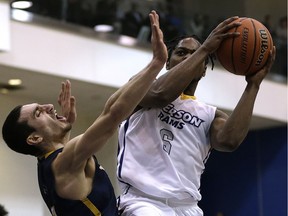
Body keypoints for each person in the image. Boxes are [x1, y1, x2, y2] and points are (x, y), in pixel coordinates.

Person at [1, 11, 167, 216]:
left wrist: (64, 133)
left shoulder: (52, 164)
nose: (49, 107)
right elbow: (112, 115)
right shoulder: (62, 163)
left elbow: (109, 110)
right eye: (38, 113)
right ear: (34, 137)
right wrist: (156, 63)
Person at [116, 14, 276, 216]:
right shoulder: (143, 87)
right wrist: (205, 49)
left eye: (195, 54)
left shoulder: (210, 114)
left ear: (203, 71)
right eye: (182, 52)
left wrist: (253, 85)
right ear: (168, 63)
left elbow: (229, 141)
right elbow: (161, 95)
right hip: (142, 201)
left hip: (187, 207)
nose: (189, 57)